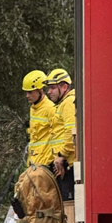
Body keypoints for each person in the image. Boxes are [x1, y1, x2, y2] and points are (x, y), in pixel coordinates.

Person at [44, 68, 76, 201]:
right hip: (63, 162)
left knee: (66, 206)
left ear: (64, 87)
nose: (49, 92)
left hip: (67, 164)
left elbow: (71, 133)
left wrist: (61, 156)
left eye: (52, 88)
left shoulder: (68, 103)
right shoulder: (63, 103)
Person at [23, 70, 60, 168]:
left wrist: (57, 159)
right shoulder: (33, 108)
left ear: (40, 90)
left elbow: (57, 136)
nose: (27, 95)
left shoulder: (50, 109)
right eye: (26, 92)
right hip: (33, 162)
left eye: (30, 92)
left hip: (45, 164)